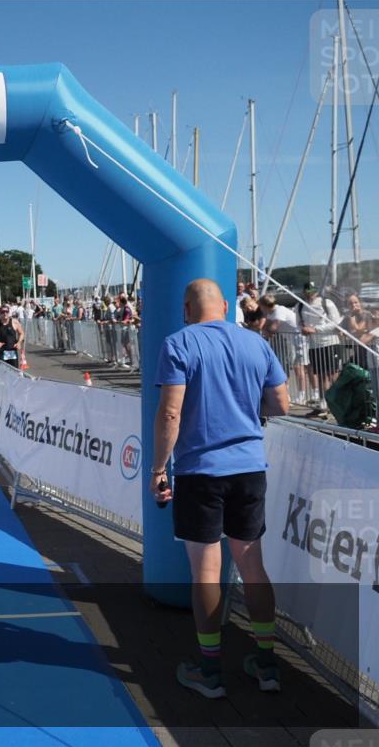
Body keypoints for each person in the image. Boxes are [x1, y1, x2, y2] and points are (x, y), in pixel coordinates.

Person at [151, 279, 290, 699]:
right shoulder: (255, 343)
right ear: (227, 306)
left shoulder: (178, 344)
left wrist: (159, 467)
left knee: (206, 573)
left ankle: (210, 670)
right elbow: (281, 404)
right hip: (249, 468)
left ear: (185, 309)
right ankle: (266, 664)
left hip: (200, 472)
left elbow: (170, 414)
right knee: (252, 567)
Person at [297, 282, 342, 413]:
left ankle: (338, 403)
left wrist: (315, 329)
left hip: (331, 342)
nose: (310, 293)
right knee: (321, 376)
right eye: (308, 290)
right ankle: (324, 404)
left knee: (333, 375)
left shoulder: (327, 303)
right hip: (314, 346)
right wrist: (303, 329)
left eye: (313, 290)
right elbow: (299, 324)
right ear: (304, 291)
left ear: (317, 291)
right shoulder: (299, 306)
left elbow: (335, 323)